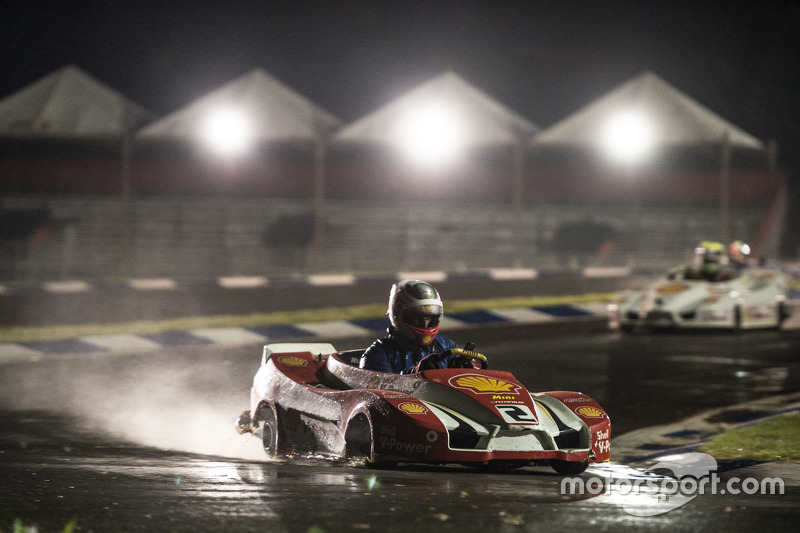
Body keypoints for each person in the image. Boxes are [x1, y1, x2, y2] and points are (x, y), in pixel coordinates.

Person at [359, 279, 463, 374]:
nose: (426, 324)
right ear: (399, 315)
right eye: (418, 318)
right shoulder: (379, 354)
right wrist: (416, 373)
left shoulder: (447, 347)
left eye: (429, 318)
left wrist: (468, 369)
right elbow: (382, 389)